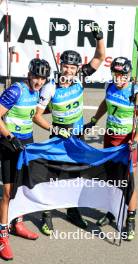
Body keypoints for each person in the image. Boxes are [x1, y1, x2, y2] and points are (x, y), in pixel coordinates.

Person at [33, 25, 105, 236]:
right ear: (61, 65)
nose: (69, 71)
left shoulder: (81, 77)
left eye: (73, 68)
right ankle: (46, 215)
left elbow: (100, 57)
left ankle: (72, 210)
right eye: (66, 66)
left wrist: (98, 36)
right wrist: (55, 128)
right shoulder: (50, 87)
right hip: (58, 136)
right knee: (53, 176)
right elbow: (36, 116)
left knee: (75, 175)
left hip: (77, 136)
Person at [85, 56, 138, 241]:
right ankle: (113, 211)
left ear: (129, 75)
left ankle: (130, 219)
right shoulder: (109, 86)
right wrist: (95, 120)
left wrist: (135, 141)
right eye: (116, 74)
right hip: (110, 137)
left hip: (127, 141)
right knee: (112, 178)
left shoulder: (137, 94)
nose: (119, 79)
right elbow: (105, 103)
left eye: (123, 75)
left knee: (128, 181)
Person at [0, 58, 51, 260]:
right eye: (36, 76)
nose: (39, 81)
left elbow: (34, 115)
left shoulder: (37, 92)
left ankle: (17, 223)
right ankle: (2, 236)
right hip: (8, 143)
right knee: (7, 192)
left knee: (21, 188)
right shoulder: (16, 90)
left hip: (26, 143)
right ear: (29, 74)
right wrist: (10, 137)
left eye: (43, 78)